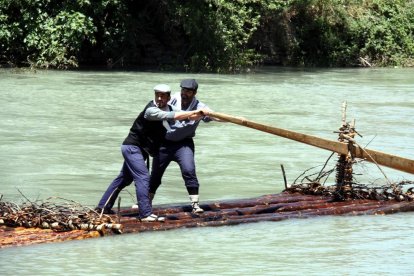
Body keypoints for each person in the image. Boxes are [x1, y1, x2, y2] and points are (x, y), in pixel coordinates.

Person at [95, 84, 205, 222]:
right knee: (143, 177)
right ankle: (145, 213)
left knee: (124, 178)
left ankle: (103, 207)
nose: (159, 98)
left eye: (163, 96)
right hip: (132, 147)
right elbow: (174, 116)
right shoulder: (151, 110)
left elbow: (182, 117)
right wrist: (192, 113)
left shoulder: (170, 107)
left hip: (140, 150)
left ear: (168, 98)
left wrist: (199, 115)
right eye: (157, 95)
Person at [147, 79, 216, 214]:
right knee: (155, 175)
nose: (184, 93)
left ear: (194, 93)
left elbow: (214, 117)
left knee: (189, 170)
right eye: (183, 90)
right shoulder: (171, 100)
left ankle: (195, 204)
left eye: (188, 91)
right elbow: (156, 110)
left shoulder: (201, 106)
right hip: (164, 143)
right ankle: (145, 203)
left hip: (184, 144)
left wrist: (230, 118)